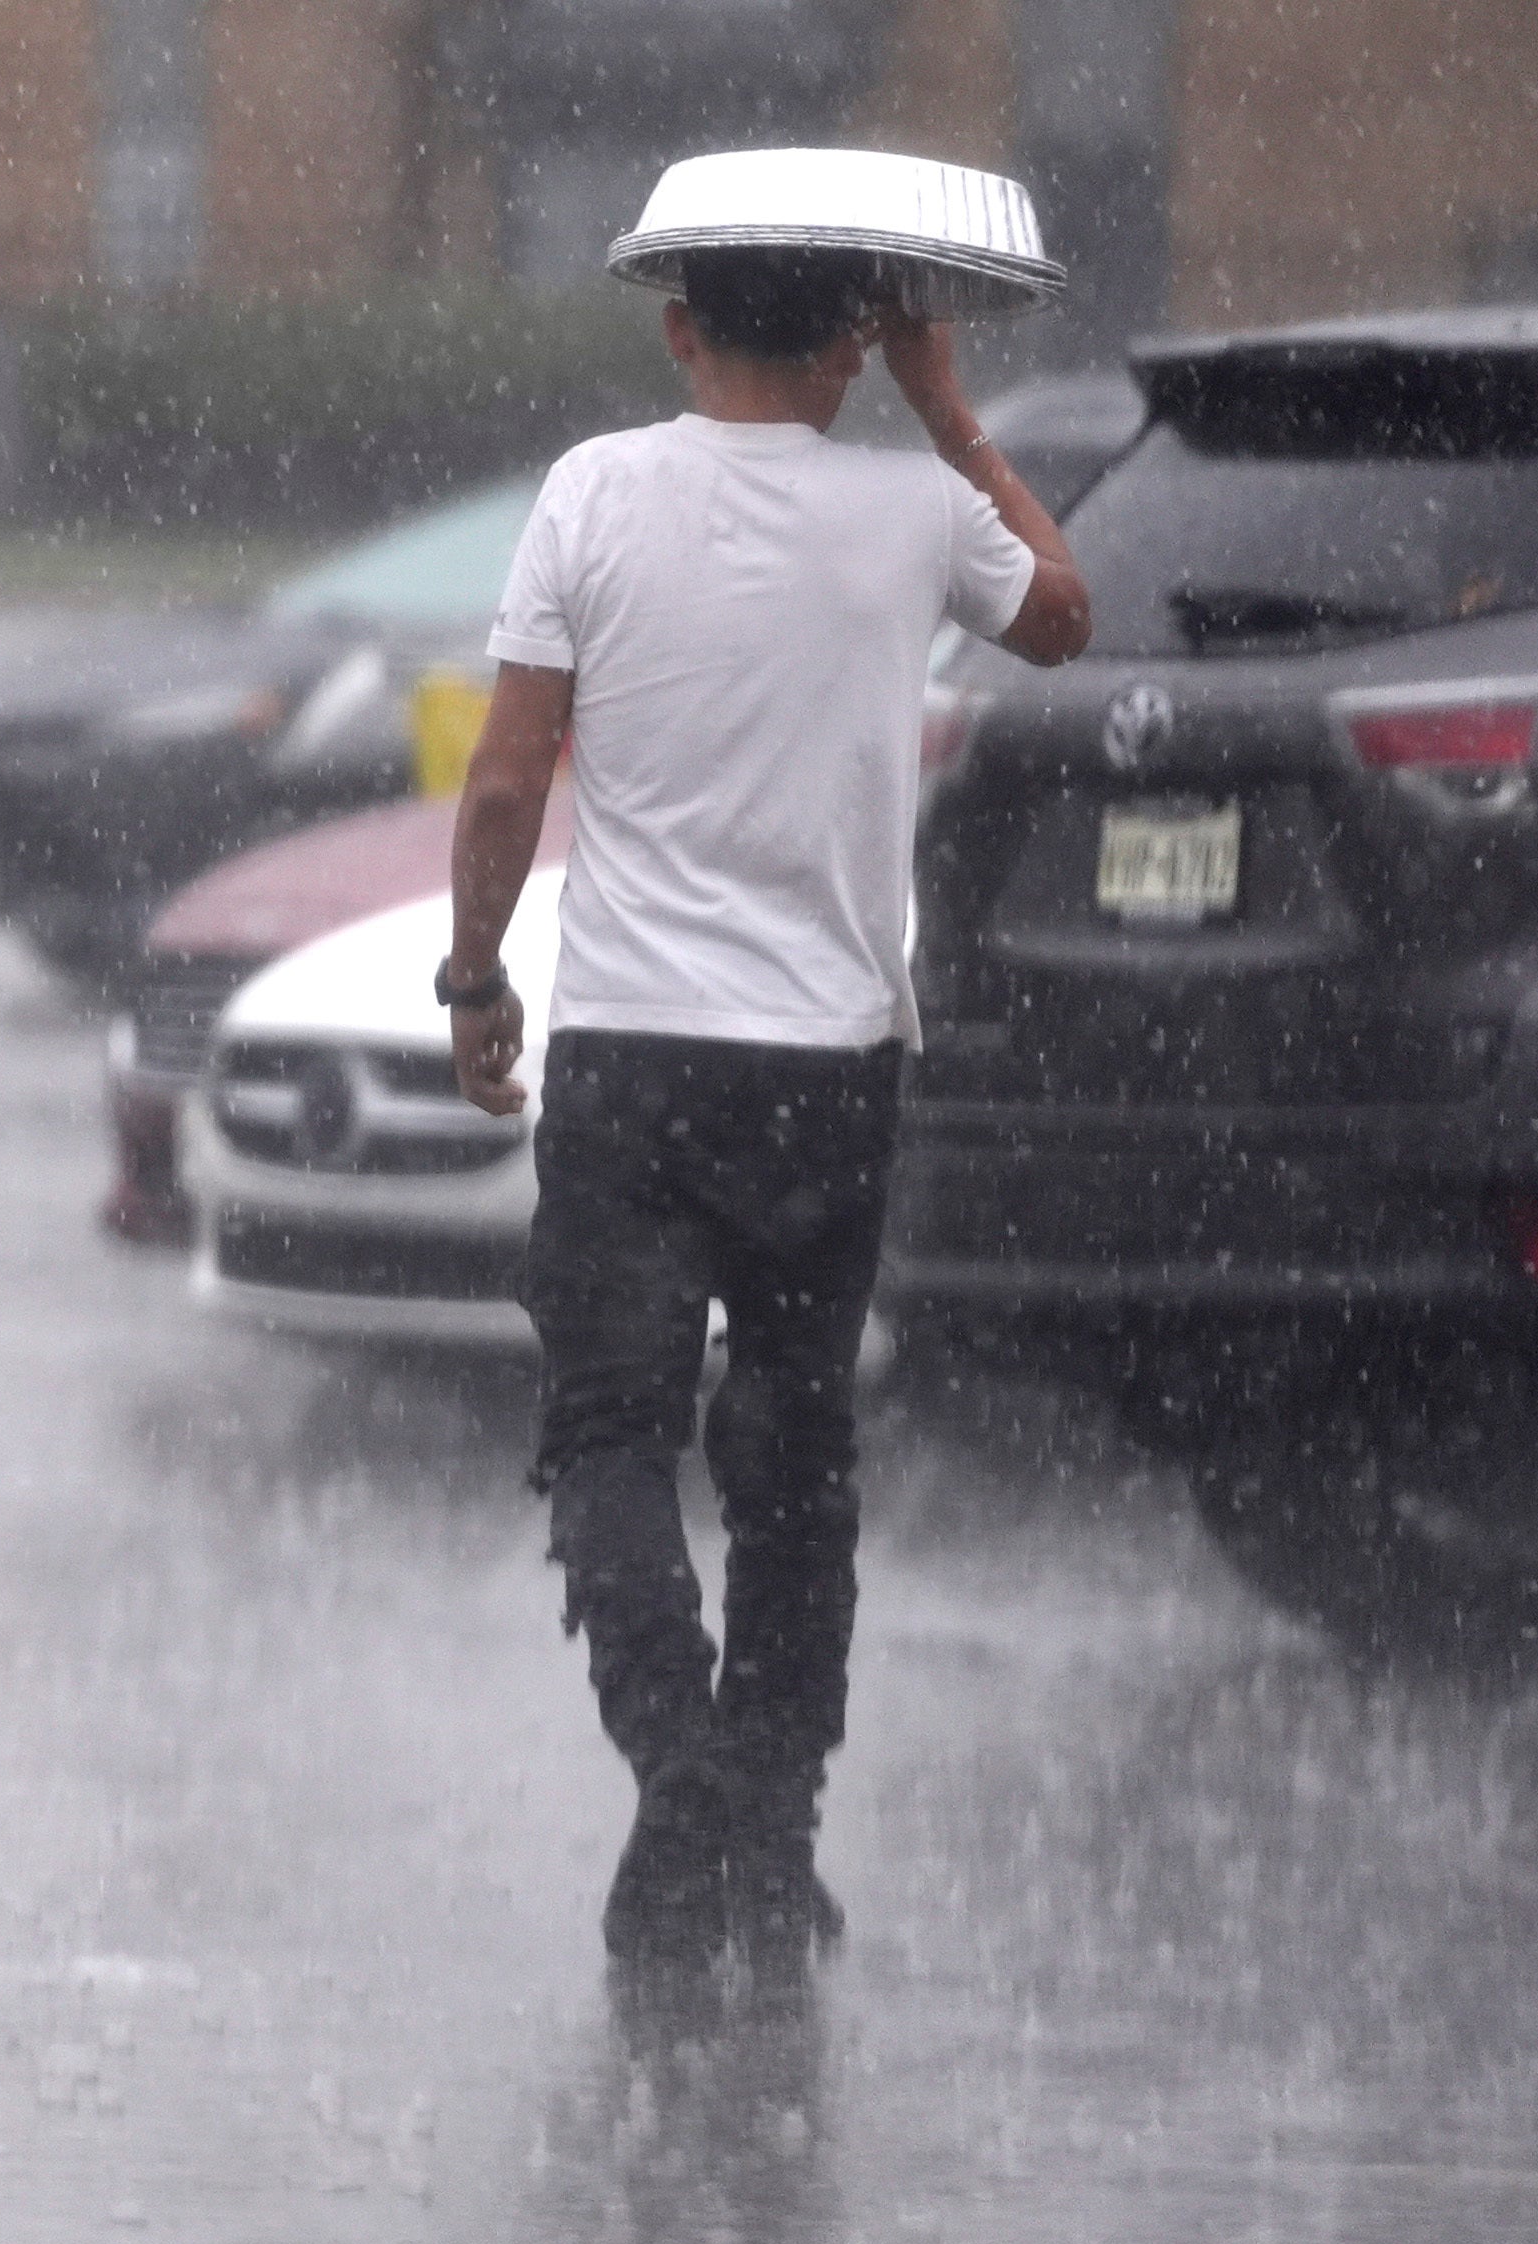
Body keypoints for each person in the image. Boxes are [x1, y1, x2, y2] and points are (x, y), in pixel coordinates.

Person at [437, 250, 1092, 1975]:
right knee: (797, 1458)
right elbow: (1065, 614)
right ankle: (769, 1824)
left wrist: (474, 973)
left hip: (634, 1056)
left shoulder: (591, 492)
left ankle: (685, 1780)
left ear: (678, 326)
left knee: (608, 1436)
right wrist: (950, 412)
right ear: (858, 342)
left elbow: (512, 773)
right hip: (827, 1066)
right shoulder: (914, 512)